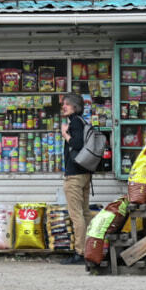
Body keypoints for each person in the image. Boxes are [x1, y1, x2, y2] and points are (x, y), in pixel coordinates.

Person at [59, 94, 91, 266]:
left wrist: (65, 134)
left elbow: (77, 144)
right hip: (85, 174)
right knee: (85, 213)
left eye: (67, 104)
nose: (63, 107)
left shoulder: (76, 123)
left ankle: (80, 252)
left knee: (76, 214)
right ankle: (91, 249)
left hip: (75, 176)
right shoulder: (82, 121)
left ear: (75, 107)